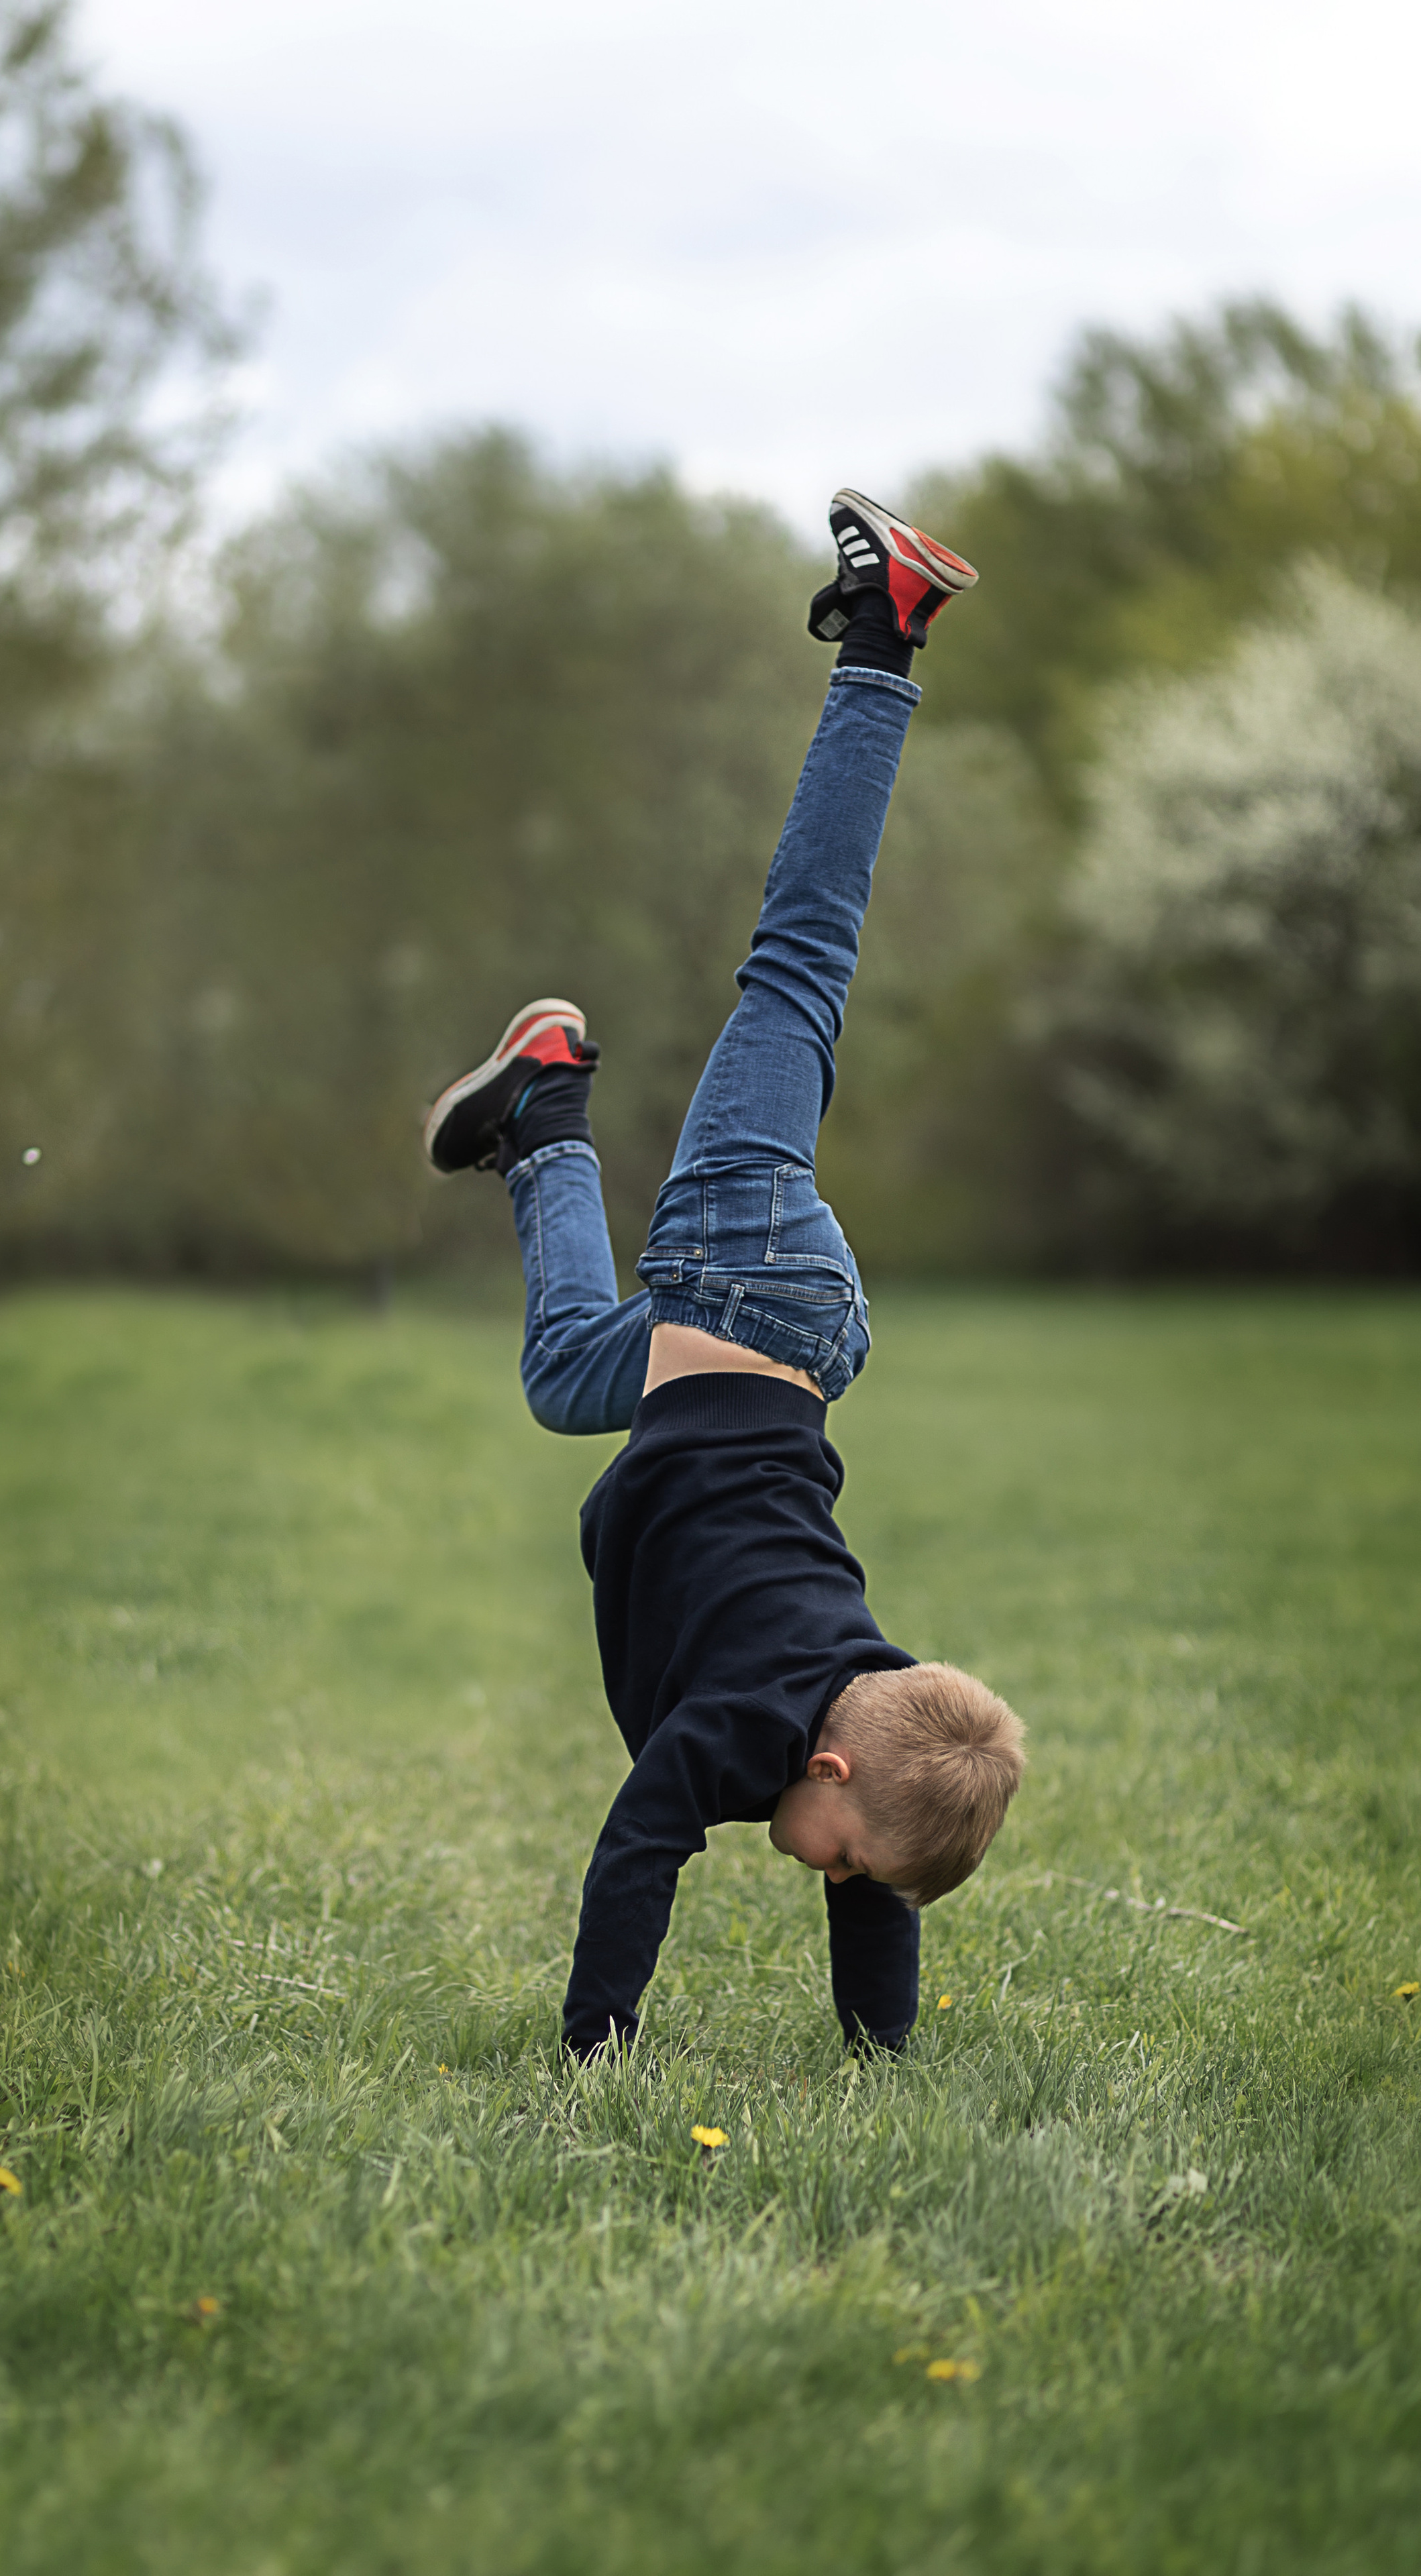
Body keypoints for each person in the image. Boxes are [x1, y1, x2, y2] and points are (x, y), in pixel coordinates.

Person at [423, 486, 1027, 2060]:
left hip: (783, 1356)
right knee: (799, 957)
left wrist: (878, 2059)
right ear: (825, 1780)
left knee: (567, 1381)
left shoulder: (861, 1728)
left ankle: (545, 1103)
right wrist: (595, 2049)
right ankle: (888, 636)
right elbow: (637, 1851)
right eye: (846, 1861)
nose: (840, 1885)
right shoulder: (743, 1737)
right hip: (746, 1277)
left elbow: (878, 1885)